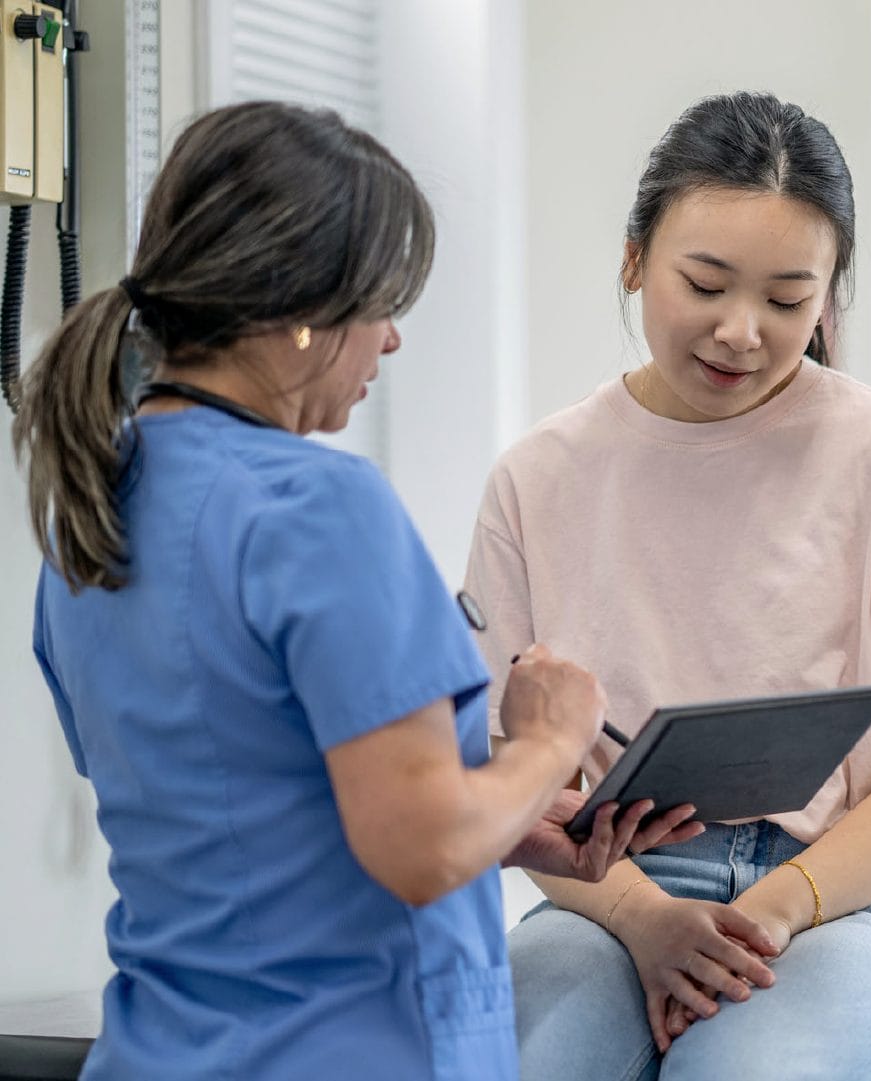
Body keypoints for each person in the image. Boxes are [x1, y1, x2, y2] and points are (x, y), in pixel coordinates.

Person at [15, 101, 699, 1081]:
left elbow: (247, 822)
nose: (389, 343)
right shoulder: (319, 508)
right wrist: (546, 737)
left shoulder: (91, 510)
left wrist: (503, 824)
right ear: (304, 311)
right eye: (382, 306)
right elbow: (419, 852)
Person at [464, 91, 871, 1081]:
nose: (740, 332)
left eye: (785, 299)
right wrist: (646, 918)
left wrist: (769, 910)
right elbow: (508, 777)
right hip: (610, 897)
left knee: (739, 1071)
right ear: (635, 259)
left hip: (856, 899)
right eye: (706, 283)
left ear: (828, 297)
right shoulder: (538, 476)